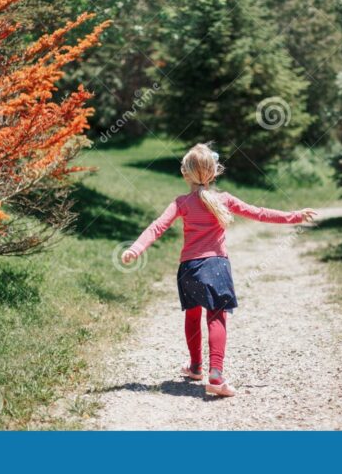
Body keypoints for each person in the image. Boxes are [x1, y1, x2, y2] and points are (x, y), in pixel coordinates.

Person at [122, 143, 316, 397]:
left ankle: (195, 367)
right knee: (216, 317)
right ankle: (215, 374)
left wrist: (135, 249)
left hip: (189, 268)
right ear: (214, 174)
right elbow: (258, 213)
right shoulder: (223, 200)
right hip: (216, 266)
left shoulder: (181, 202)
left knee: (192, 317)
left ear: (185, 173)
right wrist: (295, 216)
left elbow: (157, 227)